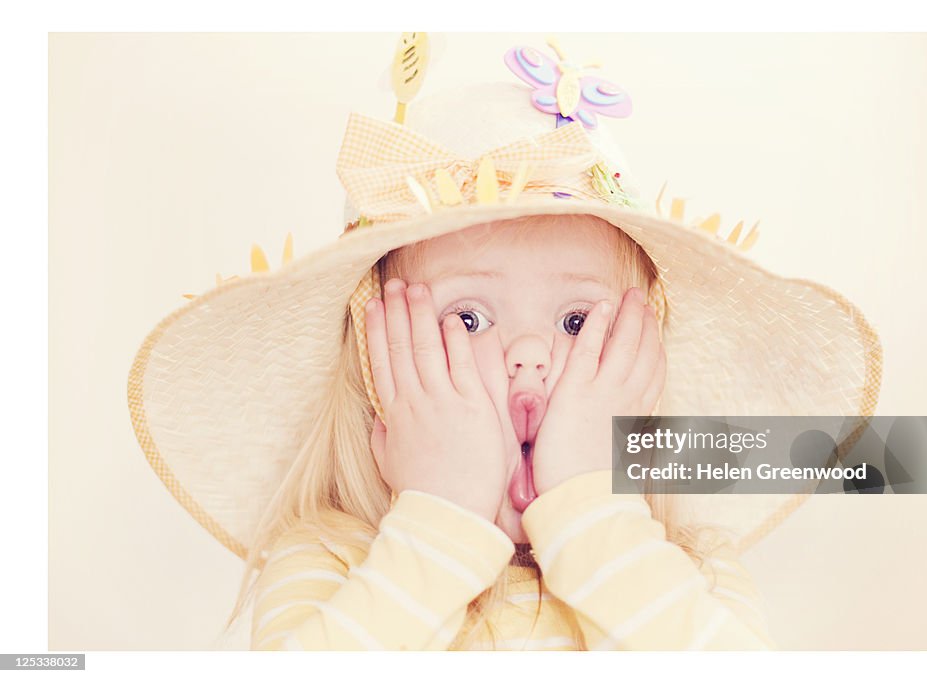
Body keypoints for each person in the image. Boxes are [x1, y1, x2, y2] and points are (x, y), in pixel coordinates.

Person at [126, 35, 881, 651]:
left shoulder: (686, 572)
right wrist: (439, 518)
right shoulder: (332, 560)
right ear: (375, 361)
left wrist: (597, 517)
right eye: (470, 318)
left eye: (577, 322)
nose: (530, 354)